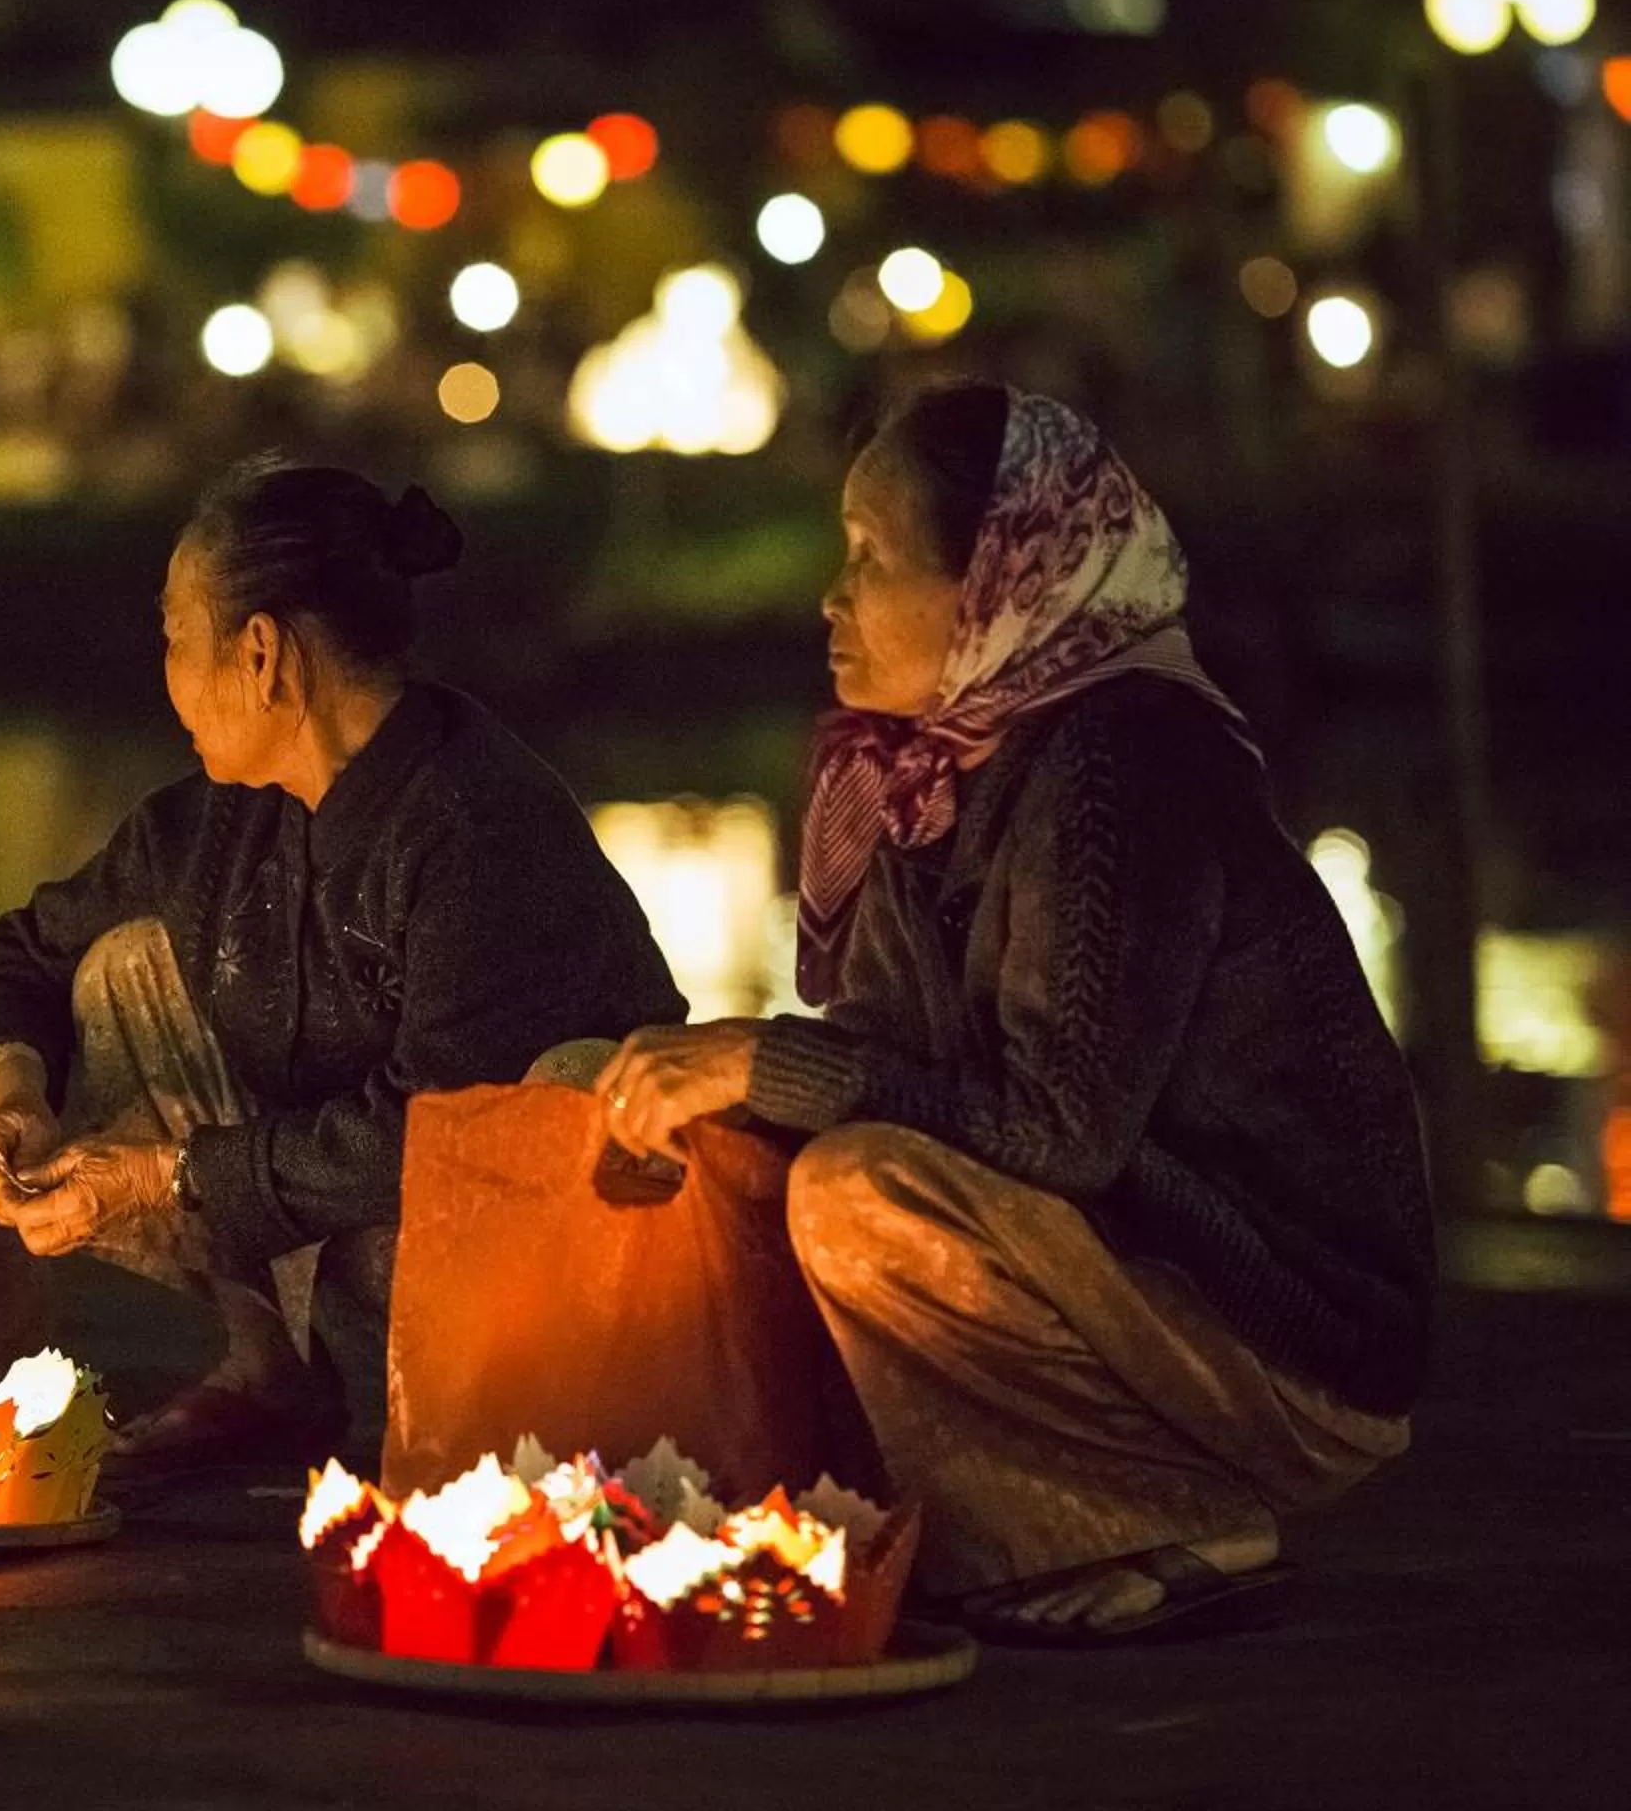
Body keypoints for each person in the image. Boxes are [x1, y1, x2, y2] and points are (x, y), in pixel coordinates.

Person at [593, 382, 1432, 1642]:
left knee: (857, 1192)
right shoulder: (921, 770)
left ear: (998, 585)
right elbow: (890, 1053)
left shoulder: (1118, 765)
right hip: (1103, 1259)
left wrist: (769, 1061)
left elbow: (1060, 1133)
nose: (833, 597)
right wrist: (719, 1086)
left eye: (873, 558)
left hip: (1281, 1330)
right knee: (673, 1125)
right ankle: (979, 1516)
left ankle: (1158, 1519)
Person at [0, 457, 688, 1472]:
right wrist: (12, 1091)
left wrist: (169, 1177)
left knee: (541, 1110)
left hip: (504, 1268)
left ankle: (482, 1442)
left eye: (176, 636)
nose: (163, 672)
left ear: (261, 654)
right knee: (122, 966)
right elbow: (30, 948)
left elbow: (433, 1123)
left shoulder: (477, 827)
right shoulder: (216, 820)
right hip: (330, 1233)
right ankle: (271, 1375)